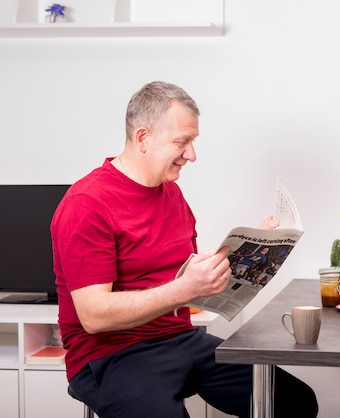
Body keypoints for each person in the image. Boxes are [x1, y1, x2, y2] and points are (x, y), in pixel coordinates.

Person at [51, 81, 318, 418]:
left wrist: (246, 251)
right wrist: (184, 288)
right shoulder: (87, 204)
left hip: (181, 337)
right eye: (182, 142)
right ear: (143, 138)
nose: (192, 155)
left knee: (296, 401)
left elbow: (176, 276)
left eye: (192, 141)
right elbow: (93, 315)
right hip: (112, 354)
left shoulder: (170, 193)